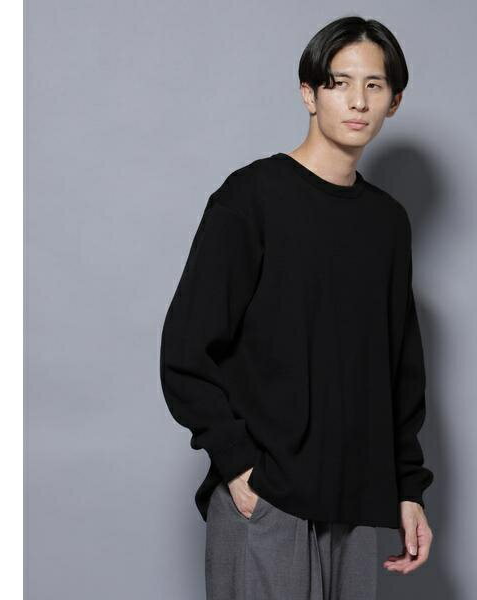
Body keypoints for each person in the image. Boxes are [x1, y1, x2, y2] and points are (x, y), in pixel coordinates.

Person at [160, 15, 434, 599]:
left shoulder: (387, 223)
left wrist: (408, 488)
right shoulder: (251, 198)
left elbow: (399, 370)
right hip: (268, 497)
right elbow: (186, 349)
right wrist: (238, 466)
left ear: (394, 101)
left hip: (357, 503)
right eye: (339, 83)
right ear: (309, 94)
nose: (358, 101)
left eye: (375, 85)